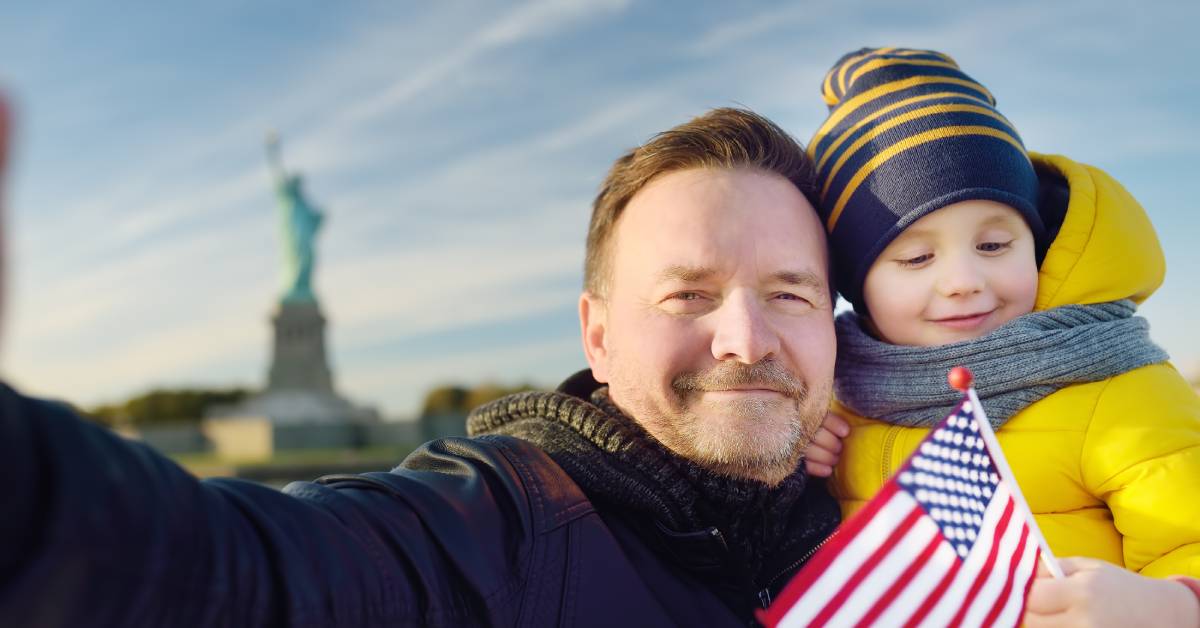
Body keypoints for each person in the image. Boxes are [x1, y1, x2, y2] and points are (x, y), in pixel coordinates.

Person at [0, 104, 842, 626]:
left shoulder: (881, 507)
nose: (747, 338)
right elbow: (235, 579)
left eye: (793, 295)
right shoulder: (496, 538)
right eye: (687, 295)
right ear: (597, 337)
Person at [800, 47, 1200, 623]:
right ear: (859, 284)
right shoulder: (840, 400)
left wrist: (1170, 606)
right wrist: (799, 468)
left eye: (993, 245)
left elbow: (1187, 537)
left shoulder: (1120, 391)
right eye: (916, 257)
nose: (963, 281)